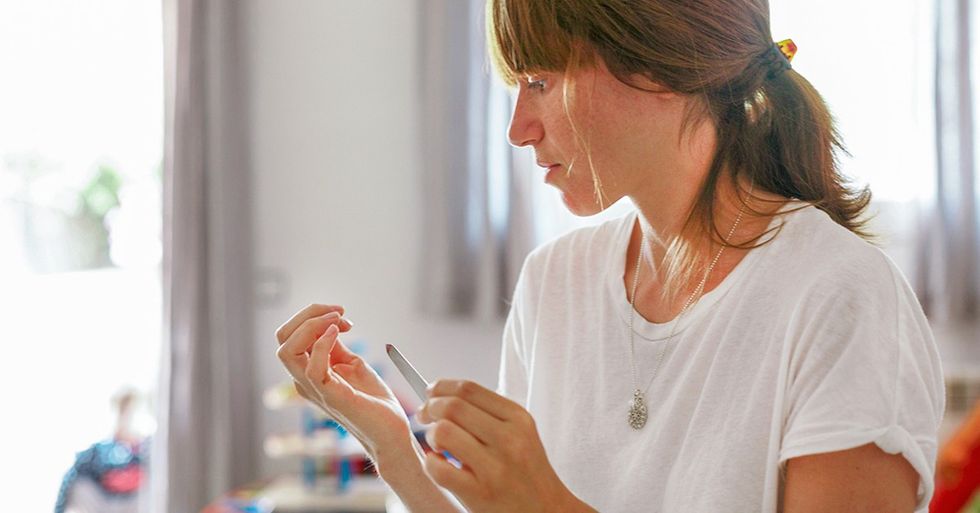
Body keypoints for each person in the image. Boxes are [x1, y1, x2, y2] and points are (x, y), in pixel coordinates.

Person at [275, 0, 945, 511]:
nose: (517, 129)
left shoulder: (840, 298)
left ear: (657, 62)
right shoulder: (554, 280)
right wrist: (393, 442)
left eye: (539, 78)